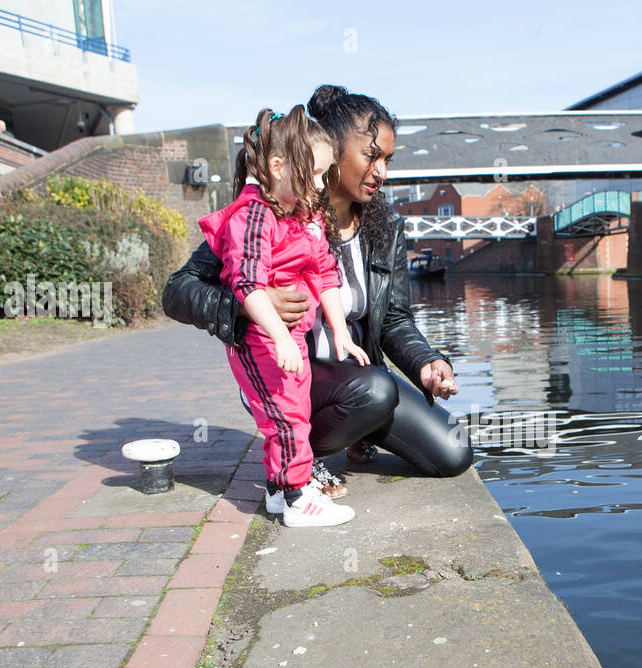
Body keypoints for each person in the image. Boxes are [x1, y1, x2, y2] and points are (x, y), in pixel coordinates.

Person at [163, 85, 471, 499]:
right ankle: (302, 464)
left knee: (454, 452)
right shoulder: (272, 212)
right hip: (288, 373)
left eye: (387, 160)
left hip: (359, 380)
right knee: (377, 391)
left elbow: (395, 318)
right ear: (333, 153)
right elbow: (177, 291)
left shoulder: (387, 228)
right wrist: (247, 305)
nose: (381, 172)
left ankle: (355, 429)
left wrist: (427, 363)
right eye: (371, 155)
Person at [198, 105, 363, 527]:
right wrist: (281, 337)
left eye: (326, 176)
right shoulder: (253, 216)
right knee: (285, 415)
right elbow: (247, 285)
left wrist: (341, 333)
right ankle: (296, 498)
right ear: (277, 166)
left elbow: (324, 271)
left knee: (296, 409)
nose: (322, 187)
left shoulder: (302, 214)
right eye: (315, 175)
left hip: (291, 338)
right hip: (260, 341)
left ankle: (276, 489)